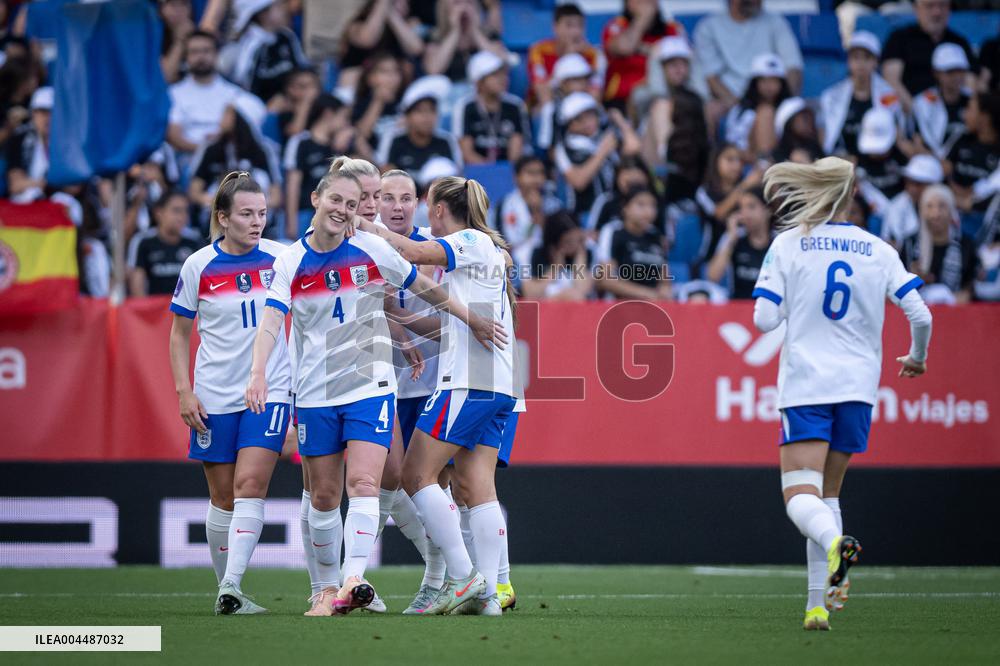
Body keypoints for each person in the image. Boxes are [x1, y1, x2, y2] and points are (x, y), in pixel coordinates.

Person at [248, 168, 504, 616]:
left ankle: (355, 579)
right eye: (341, 201)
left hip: (372, 385)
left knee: (372, 482)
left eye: (355, 203)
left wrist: (470, 318)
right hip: (315, 391)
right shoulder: (290, 260)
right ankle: (326, 588)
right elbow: (272, 318)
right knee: (324, 496)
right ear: (316, 198)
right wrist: (258, 373)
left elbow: (421, 285)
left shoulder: (374, 247)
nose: (347, 210)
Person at [752, 156, 932, 630]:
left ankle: (836, 544)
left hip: (807, 381)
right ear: (851, 195)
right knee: (828, 493)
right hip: (858, 387)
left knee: (798, 496)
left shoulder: (790, 244)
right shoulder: (878, 248)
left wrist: (796, 302)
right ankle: (817, 606)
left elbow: (764, 320)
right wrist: (916, 358)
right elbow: (922, 316)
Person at [355, 175, 518, 616]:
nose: (425, 216)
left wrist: (358, 221)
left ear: (441, 209)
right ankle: (489, 600)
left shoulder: (468, 241)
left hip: (469, 381)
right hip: (499, 384)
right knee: (474, 487)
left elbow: (409, 250)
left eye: (425, 205)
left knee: (416, 474)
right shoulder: (487, 248)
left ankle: (465, 578)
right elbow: (444, 311)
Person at [168, 171, 293, 615]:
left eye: (262, 213)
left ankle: (233, 585)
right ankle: (228, 591)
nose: (257, 221)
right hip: (214, 395)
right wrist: (185, 392)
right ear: (223, 218)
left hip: (271, 391)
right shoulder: (198, 265)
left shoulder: (284, 258)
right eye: (246, 214)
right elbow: (180, 334)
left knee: (249, 486)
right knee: (222, 498)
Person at [377, 168, 450, 614]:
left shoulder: (431, 250)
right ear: (376, 202)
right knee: (394, 479)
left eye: (407, 198)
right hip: (380, 380)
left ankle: (438, 580)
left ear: (419, 203)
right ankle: (448, 568)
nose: (399, 207)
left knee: (436, 483)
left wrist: (395, 316)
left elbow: (448, 322)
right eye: (389, 198)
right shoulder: (360, 247)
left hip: (432, 381)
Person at [188, 94, 282, 229]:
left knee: (260, 178)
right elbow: (194, 192)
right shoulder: (210, 148)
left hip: (255, 218)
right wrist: (223, 203)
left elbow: (276, 196)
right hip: (218, 216)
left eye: (228, 113)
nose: (222, 118)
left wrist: (249, 207)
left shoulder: (263, 151)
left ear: (243, 118)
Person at [693, 0, 803, 111]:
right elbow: (712, 78)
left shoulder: (776, 22)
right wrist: (740, 109)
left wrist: (785, 104)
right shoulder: (708, 27)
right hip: (729, 101)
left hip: (770, 99)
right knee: (710, 110)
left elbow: (793, 68)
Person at [554, 94, 641, 221]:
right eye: (579, 118)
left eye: (590, 114)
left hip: (615, 209)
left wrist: (620, 121)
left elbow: (634, 147)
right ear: (569, 124)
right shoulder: (563, 148)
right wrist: (603, 151)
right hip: (585, 215)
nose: (587, 122)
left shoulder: (604, 136)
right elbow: (579, 181)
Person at [283, 94, 358, 238]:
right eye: (343, 117)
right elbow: (292, 185)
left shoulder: (338, 147)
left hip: (333, 213)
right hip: (304, 213)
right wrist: (291, 223)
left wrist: (340, 151)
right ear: (328, 114)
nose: (346, 124)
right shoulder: (301, 142)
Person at [819, 31, 903, 159]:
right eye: (855, 57)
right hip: (841, 161)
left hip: (878, 159)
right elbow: (824, 139)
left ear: (876, 62)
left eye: (867, 58)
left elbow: (896, 135)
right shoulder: (831, 96)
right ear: (848, 61)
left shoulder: (889, 95)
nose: (860, 63)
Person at [881, 0, 977, 112]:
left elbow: (971, 83)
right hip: (910, 111)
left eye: (942, 6)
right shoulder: (900, 38)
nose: (937, 12)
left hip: (954, 113)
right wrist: (918, 113)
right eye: (929, 6)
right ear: (916, 9)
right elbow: (891, 80)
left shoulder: (959, 42)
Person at [167, 31, 244, 158]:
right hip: (188, 159)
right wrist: (208, 151)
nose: (201, 57)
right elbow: (175, 137)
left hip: (227, 159)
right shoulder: (174, 94)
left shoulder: (234, 93)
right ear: (186, 57)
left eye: (206, 51)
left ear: (216, 54)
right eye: (194, 52)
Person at [899, 184, 978, 304]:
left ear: (951, 210)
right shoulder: (910, 243)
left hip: (956, 313)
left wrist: (963, 296)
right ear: (921, 210)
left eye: (942, 206)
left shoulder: (966, 244)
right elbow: (897, 288)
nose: (936, 214)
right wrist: (915, 280)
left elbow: (971, 285)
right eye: (929, 206)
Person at [220, 0, 310, 103]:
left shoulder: (287, 36)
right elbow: (245, 85)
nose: (286, 10)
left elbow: (302, 67)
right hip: (260, 105)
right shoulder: (250, 46)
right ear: (263, 14)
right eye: (279, 7)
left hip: (291, 99)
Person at [601, 0, 681, 112]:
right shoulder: (616, 26)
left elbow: (680, 62)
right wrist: (642, 19)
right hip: (622, 101)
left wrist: (641, 48)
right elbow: (625, 48)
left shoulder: (671, 29)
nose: (644, 3)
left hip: (665, 96)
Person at [453, 50, 531, 165]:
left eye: (504, 74)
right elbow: (466, 153)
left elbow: (516, 151)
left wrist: (501, 173)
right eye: (495, 75)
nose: (503, 79)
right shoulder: (466, 107)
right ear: (479, 81)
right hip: (476, 172)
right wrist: (490, 172)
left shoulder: (515, 106)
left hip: (510, 171)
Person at [695, 143, 765, 270]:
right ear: (716, 161)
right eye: (730, 159)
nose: (737, 165)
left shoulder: (750, 192)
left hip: (746, 258)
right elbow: (719, 213)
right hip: (712, 257)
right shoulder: (704, 192)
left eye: (739, 160)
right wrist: (745, 185)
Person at [596, 186, 671, 301]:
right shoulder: (613, 232)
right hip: (620, 304)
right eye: (641, 205)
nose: (648, 212)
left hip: (653, 304)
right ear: (625, 207)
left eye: (653, 206)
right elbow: (604, 279)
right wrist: (645, 294)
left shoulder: (656, 236)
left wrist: (665, 291)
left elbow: (665, 280)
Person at [376, 75, 462, 172]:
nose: (427, 117)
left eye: (432, 111)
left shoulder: (447, 141)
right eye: (420, 111)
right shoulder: (393, 140)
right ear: (407, 117)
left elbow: (458, 177)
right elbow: (385, 174)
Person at [527, 3, 605, 109]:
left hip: (582, 110)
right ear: (555, 27)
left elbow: (594, 97)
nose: (576, 32)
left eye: (580, 26)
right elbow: (543, 95)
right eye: (569, 25)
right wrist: (567, 58)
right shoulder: (538, 50)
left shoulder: (594, 54)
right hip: (546, 107)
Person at [129, 190, 203, 297]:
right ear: (159, 213)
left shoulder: (194, 241)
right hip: (154, 311)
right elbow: (137, 287)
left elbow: (204, 282)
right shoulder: (143, 242)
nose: (182, 217)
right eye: (176, 211)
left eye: (185, 211)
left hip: (187, 311)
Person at [707, 186, 775, 299]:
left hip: (770, 310)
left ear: (768, 210)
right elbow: (713, 276)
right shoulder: (733, 237)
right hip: (738, 310)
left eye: (751, 207)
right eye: (741, 208)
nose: (745, 213)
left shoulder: (779, 241)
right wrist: (731, 239)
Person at [338, 0, 425, 89]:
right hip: (356, 85)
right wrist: (384, 8)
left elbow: (416, 49)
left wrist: (392, 15)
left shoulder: (404, 29)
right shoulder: (357, 25)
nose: (404, 6)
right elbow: (367, 39)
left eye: (406, 3)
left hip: (390, 88)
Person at [496, 155, 563, 267]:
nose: (537, 179)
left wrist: (538, 211)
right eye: (531, 173)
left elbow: (559, 241)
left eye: (540, 173)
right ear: (516, 177)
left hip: (550, 257)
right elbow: (506, 242)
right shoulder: (505, 204)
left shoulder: (554, 204)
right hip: (516, 259)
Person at [423, 0, 509, 83]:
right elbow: (433, 70)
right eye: (457, 3)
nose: (464, 8)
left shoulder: (489, 35)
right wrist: (455, 32)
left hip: (481, 91)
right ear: (444, 8)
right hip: (450, 91)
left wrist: (475, 31)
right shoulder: (434, 37)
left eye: (469, 2)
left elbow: (502, 63)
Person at [724, 53, 791, 158]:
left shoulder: (790, 107)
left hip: (780, 162)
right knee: (766, 112)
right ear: (754, 83)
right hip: (744, 163)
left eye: (774, 80)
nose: (769, 86)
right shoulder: (740, 109)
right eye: (763, 80)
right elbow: (734, 145)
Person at [913, 44, 973, 160]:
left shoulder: (974, 100)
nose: (957, 77)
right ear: (936, 73)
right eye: (950, 72)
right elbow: (918, 142)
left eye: (960, 71)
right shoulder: (922, 103)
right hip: (931, 163)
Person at [947, 91, 1000, 217]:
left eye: (970, 109)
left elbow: (989, 191)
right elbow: (943, 168)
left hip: (982, 216)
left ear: (984, 117)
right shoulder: (961, 138)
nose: (964, 114)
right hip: (950, 209)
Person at [522, 210, 594, 301]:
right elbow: (530, 294)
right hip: (546, 312)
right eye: (569, 242)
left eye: (579, 240)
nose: (575, 246)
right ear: (553, 245)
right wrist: (555, 268)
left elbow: (582, 291)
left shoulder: (588, 254)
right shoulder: (536, 254)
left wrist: (579, 264)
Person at [534, 53, 597, 152]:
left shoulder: (592, 103)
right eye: (576, 79)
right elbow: (551, 150)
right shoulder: (552, 109)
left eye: (585, 79)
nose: (583, 84)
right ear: (562, 83)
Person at [881, 154, 944, 245]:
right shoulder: (896, 206)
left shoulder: (946, 206)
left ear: (934, 185)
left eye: (919, 184)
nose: (912, 188)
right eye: (909, 181)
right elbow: (888, 243)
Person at [351, 52, 406, 150]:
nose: (391, 76)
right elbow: (362, 136)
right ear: (370, 78)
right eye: (384, 71)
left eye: (396, 71)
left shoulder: (407, 103)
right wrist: (378, 101)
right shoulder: (361, 104)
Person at [5, 84, 49, 202]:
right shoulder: (20, 139)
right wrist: (42, 184)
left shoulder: (68, 143)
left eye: (52, 112)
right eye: (42, 112)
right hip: (25, 202)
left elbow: (73, 187)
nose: (47, 118)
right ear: (33, 113)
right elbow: (15, 185)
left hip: (56, 201)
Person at [772, 97, 823, 164]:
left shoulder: (817, 150)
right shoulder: (775, 159)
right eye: (804, 118)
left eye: (811, 116)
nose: (810, 121)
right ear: (789, 123)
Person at [158, 0, 195, 84]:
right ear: (161, 9)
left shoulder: (199, 35)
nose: (179, 10)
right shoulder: (155, 36)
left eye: (183, 4)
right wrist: (180, 42)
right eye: (173, 5)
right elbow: (166, 77)